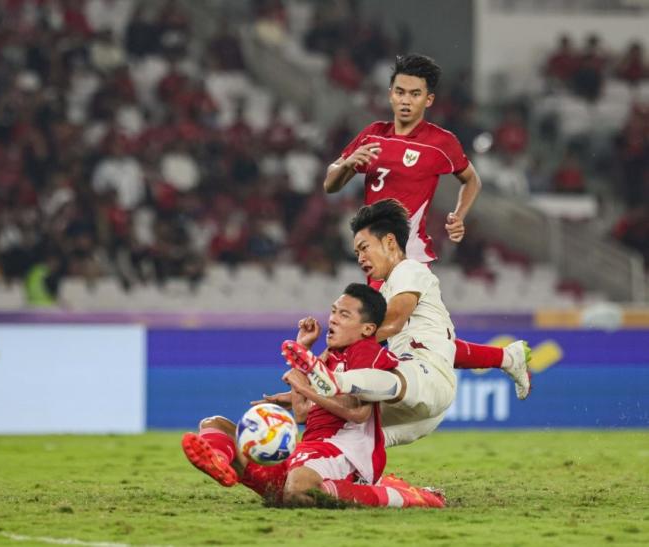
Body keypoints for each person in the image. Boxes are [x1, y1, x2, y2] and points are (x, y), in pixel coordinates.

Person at [321, 53, 530, 399]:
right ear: (390, 94)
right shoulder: (373, 135)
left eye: (415, 94)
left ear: (428, 99)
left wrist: (459, 215)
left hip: (408, 258)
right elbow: (330, 183)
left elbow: (471, 179)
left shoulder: (440, 143)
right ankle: (509, 358)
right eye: (400, 92)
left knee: (380, 329)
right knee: (426, 341)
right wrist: (347, 165)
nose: (406, 100)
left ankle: (334, 381)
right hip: (376, 255)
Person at [181, 283, 445, 508]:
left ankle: (400, 496)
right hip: (308, 452)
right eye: (333, 311)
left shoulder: (366, 352)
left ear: (366, 329)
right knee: (214, 424)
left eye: (344, 315)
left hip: (344, 453)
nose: (333, 319)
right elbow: (301, 414)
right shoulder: (328, 358)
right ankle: (220, 463)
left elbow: (359, 413)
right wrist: (303, 351)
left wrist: (306, 387)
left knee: (298, 490)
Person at [281, 199, 461, 448]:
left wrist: (326, 362)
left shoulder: (409, 270)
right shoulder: (386, 290)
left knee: (346, 389)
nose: (360, 258)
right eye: (357, 253)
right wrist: (301, 390)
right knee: (337, 433)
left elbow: (393, 322)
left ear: (389, 242)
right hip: (412, 400)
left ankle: (337, 382)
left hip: (427, 377)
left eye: (364, 248)